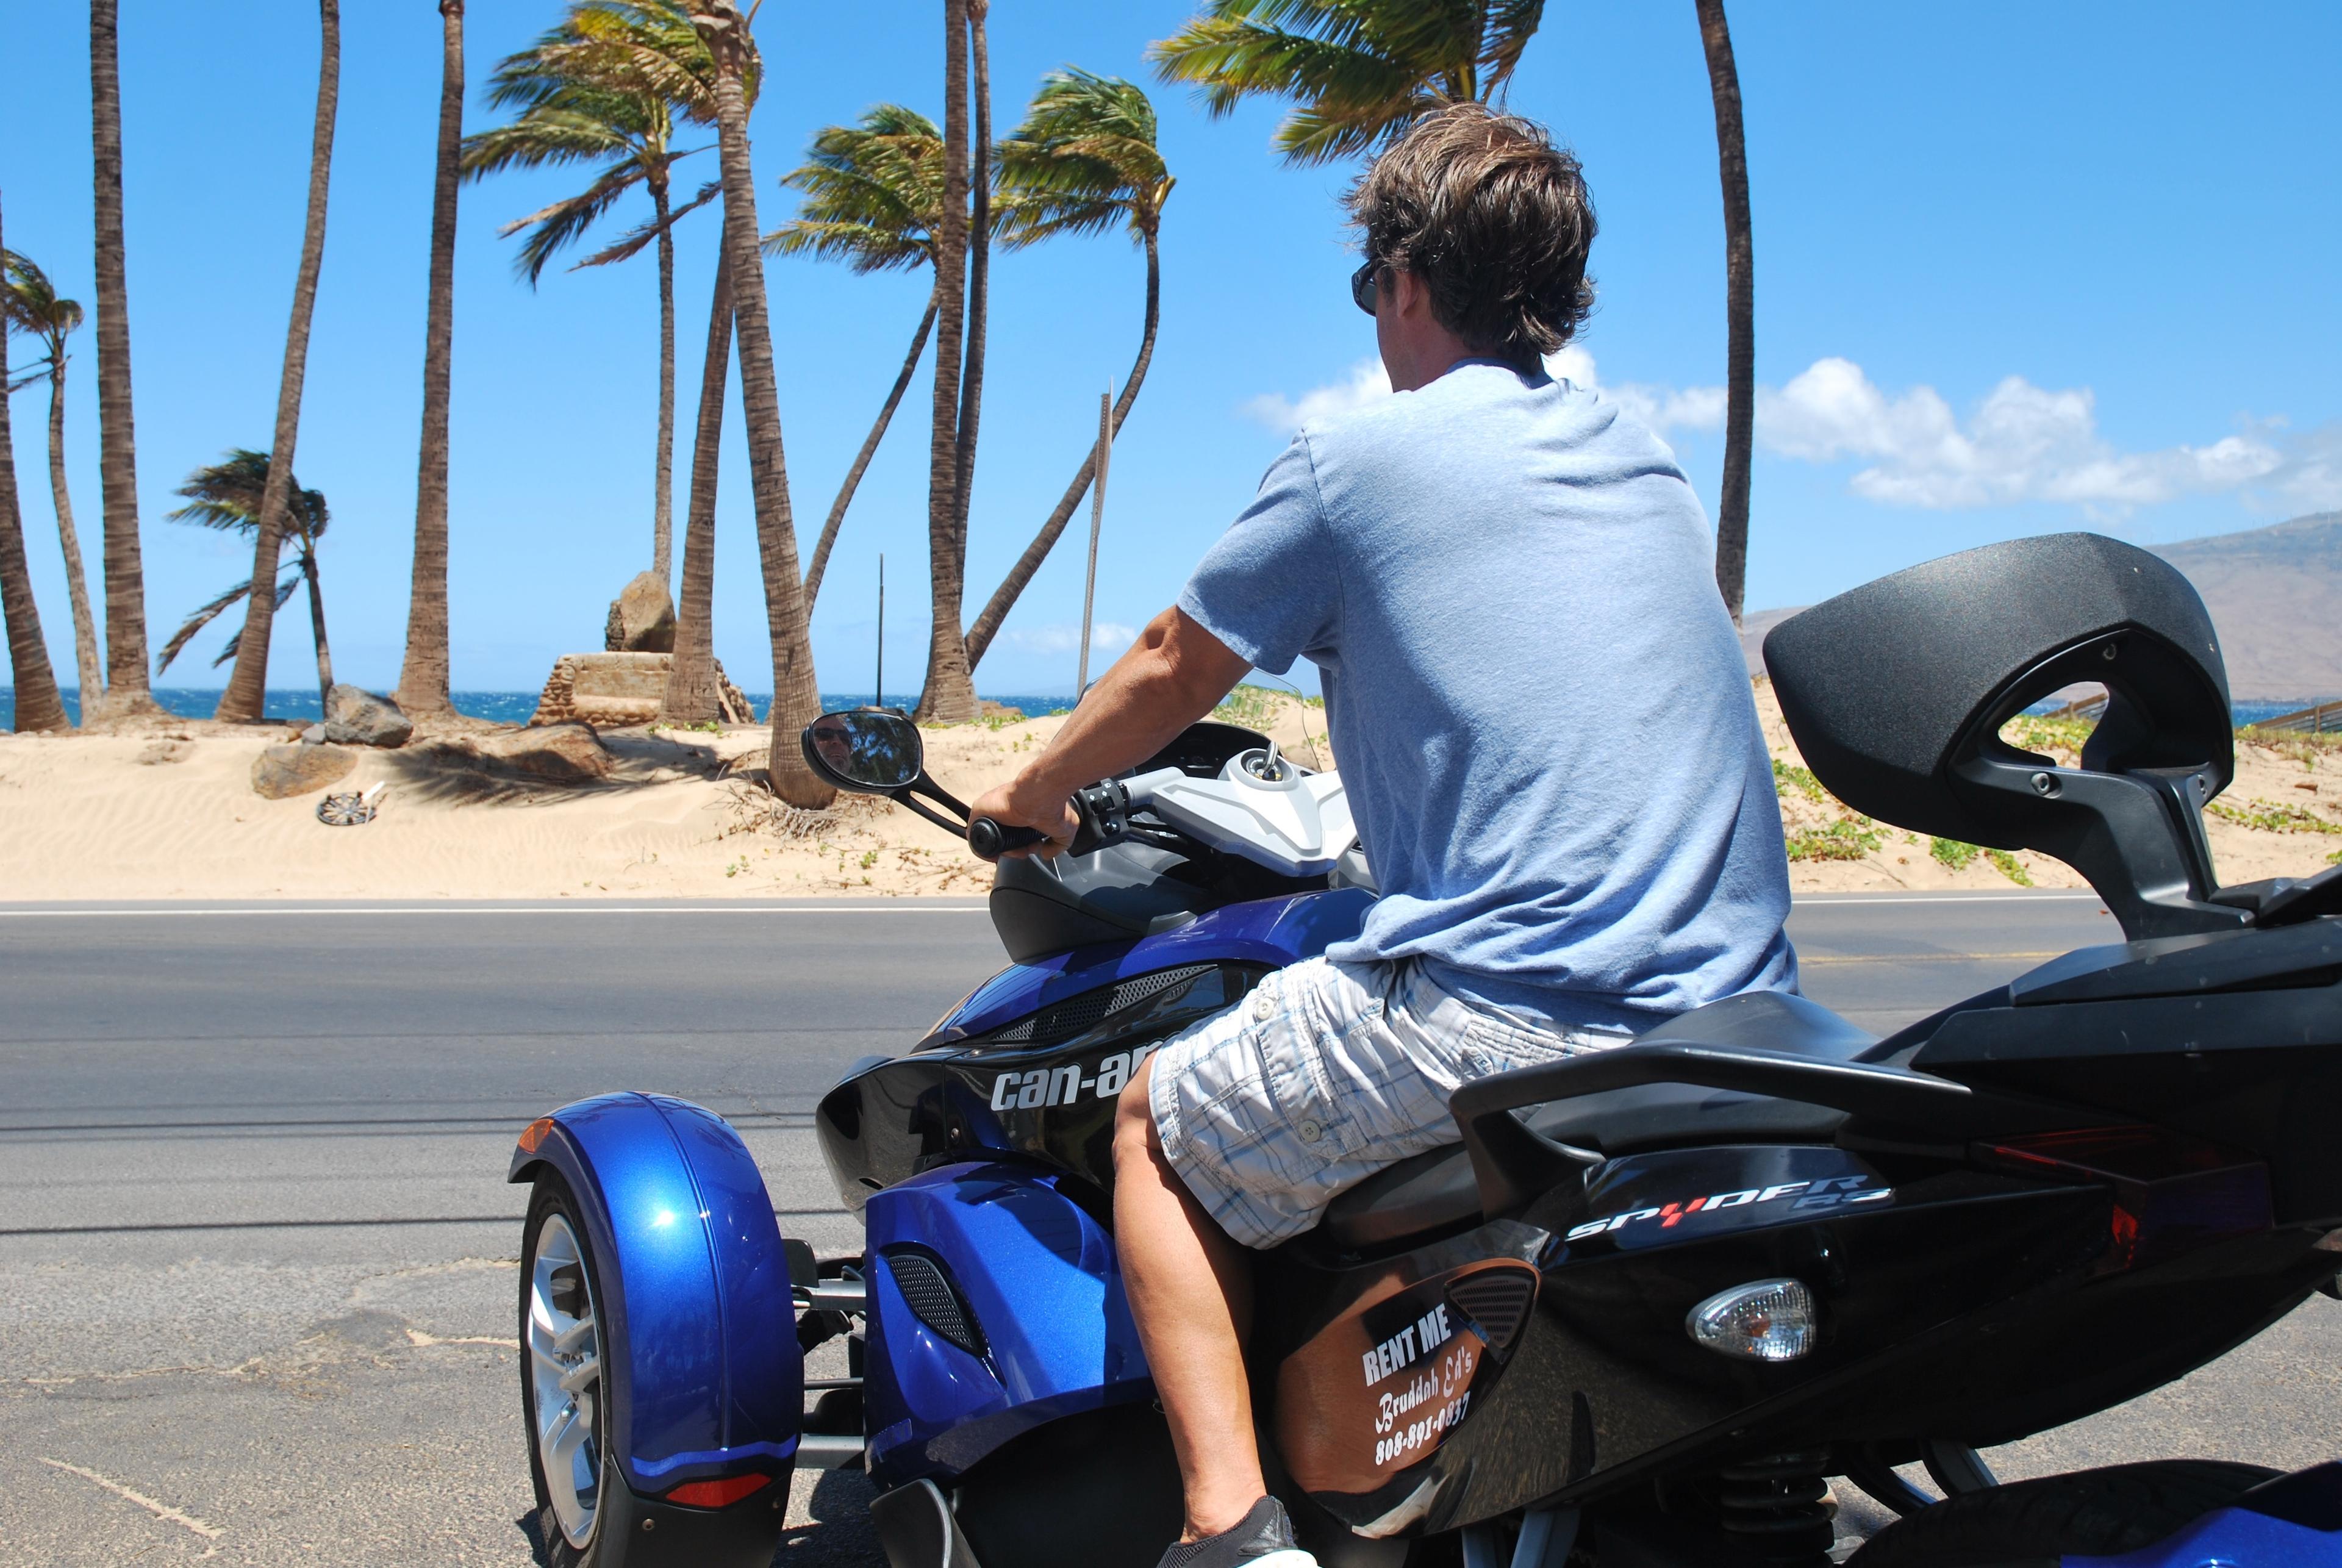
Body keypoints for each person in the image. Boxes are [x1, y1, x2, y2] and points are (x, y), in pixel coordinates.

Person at [967, 102, 1796, 1568]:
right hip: (1739, 1011)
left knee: (1159, 1119)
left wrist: (1032, 795)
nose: (1374, 321)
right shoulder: (1644, 460)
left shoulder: (1356, 464)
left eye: (1371, 289)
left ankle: (1231, 1532)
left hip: (1521, 1017)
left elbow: (1175, 660)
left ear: (1408, 279)